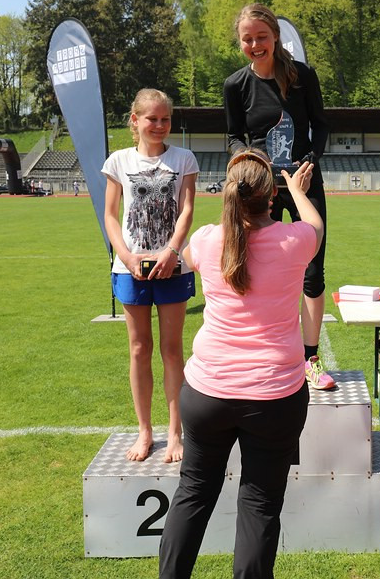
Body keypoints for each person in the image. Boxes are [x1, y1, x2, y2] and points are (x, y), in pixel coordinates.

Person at [158, 150, 323, 579]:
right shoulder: (294, 239)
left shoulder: (207, 240)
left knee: (193, 493)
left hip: (207, 391)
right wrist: (298, 192)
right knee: (260, 504)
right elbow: (316, 226)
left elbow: (195, 255)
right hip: (273, 396)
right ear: (271, 196)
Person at [223, 3, 334, 390]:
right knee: (253, 268)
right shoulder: (235, 85)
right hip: (258, 187)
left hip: (303, 183)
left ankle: (311, 358)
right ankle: (260, 352)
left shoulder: (302, 77)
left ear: (275, 37)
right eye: (247, 39)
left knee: (313, 271)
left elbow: (320, 126)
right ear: (240, 42)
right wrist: (247, 160)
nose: (255, 44)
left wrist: (311, 159)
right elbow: (234, 135)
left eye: (261, 37)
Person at [102, 89, 198, 463]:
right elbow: (111, 215)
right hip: (131, 268)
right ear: (135, 120)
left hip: (172, 266)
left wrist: (172, 252)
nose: (159, 125)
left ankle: (175, 432)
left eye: (165, 119)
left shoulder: (183, 158)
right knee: (139, 348)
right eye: (151, 119)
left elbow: (187, 210)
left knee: (173, 350)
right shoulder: (118, 161)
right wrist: (125, 256)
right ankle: (145, 431)